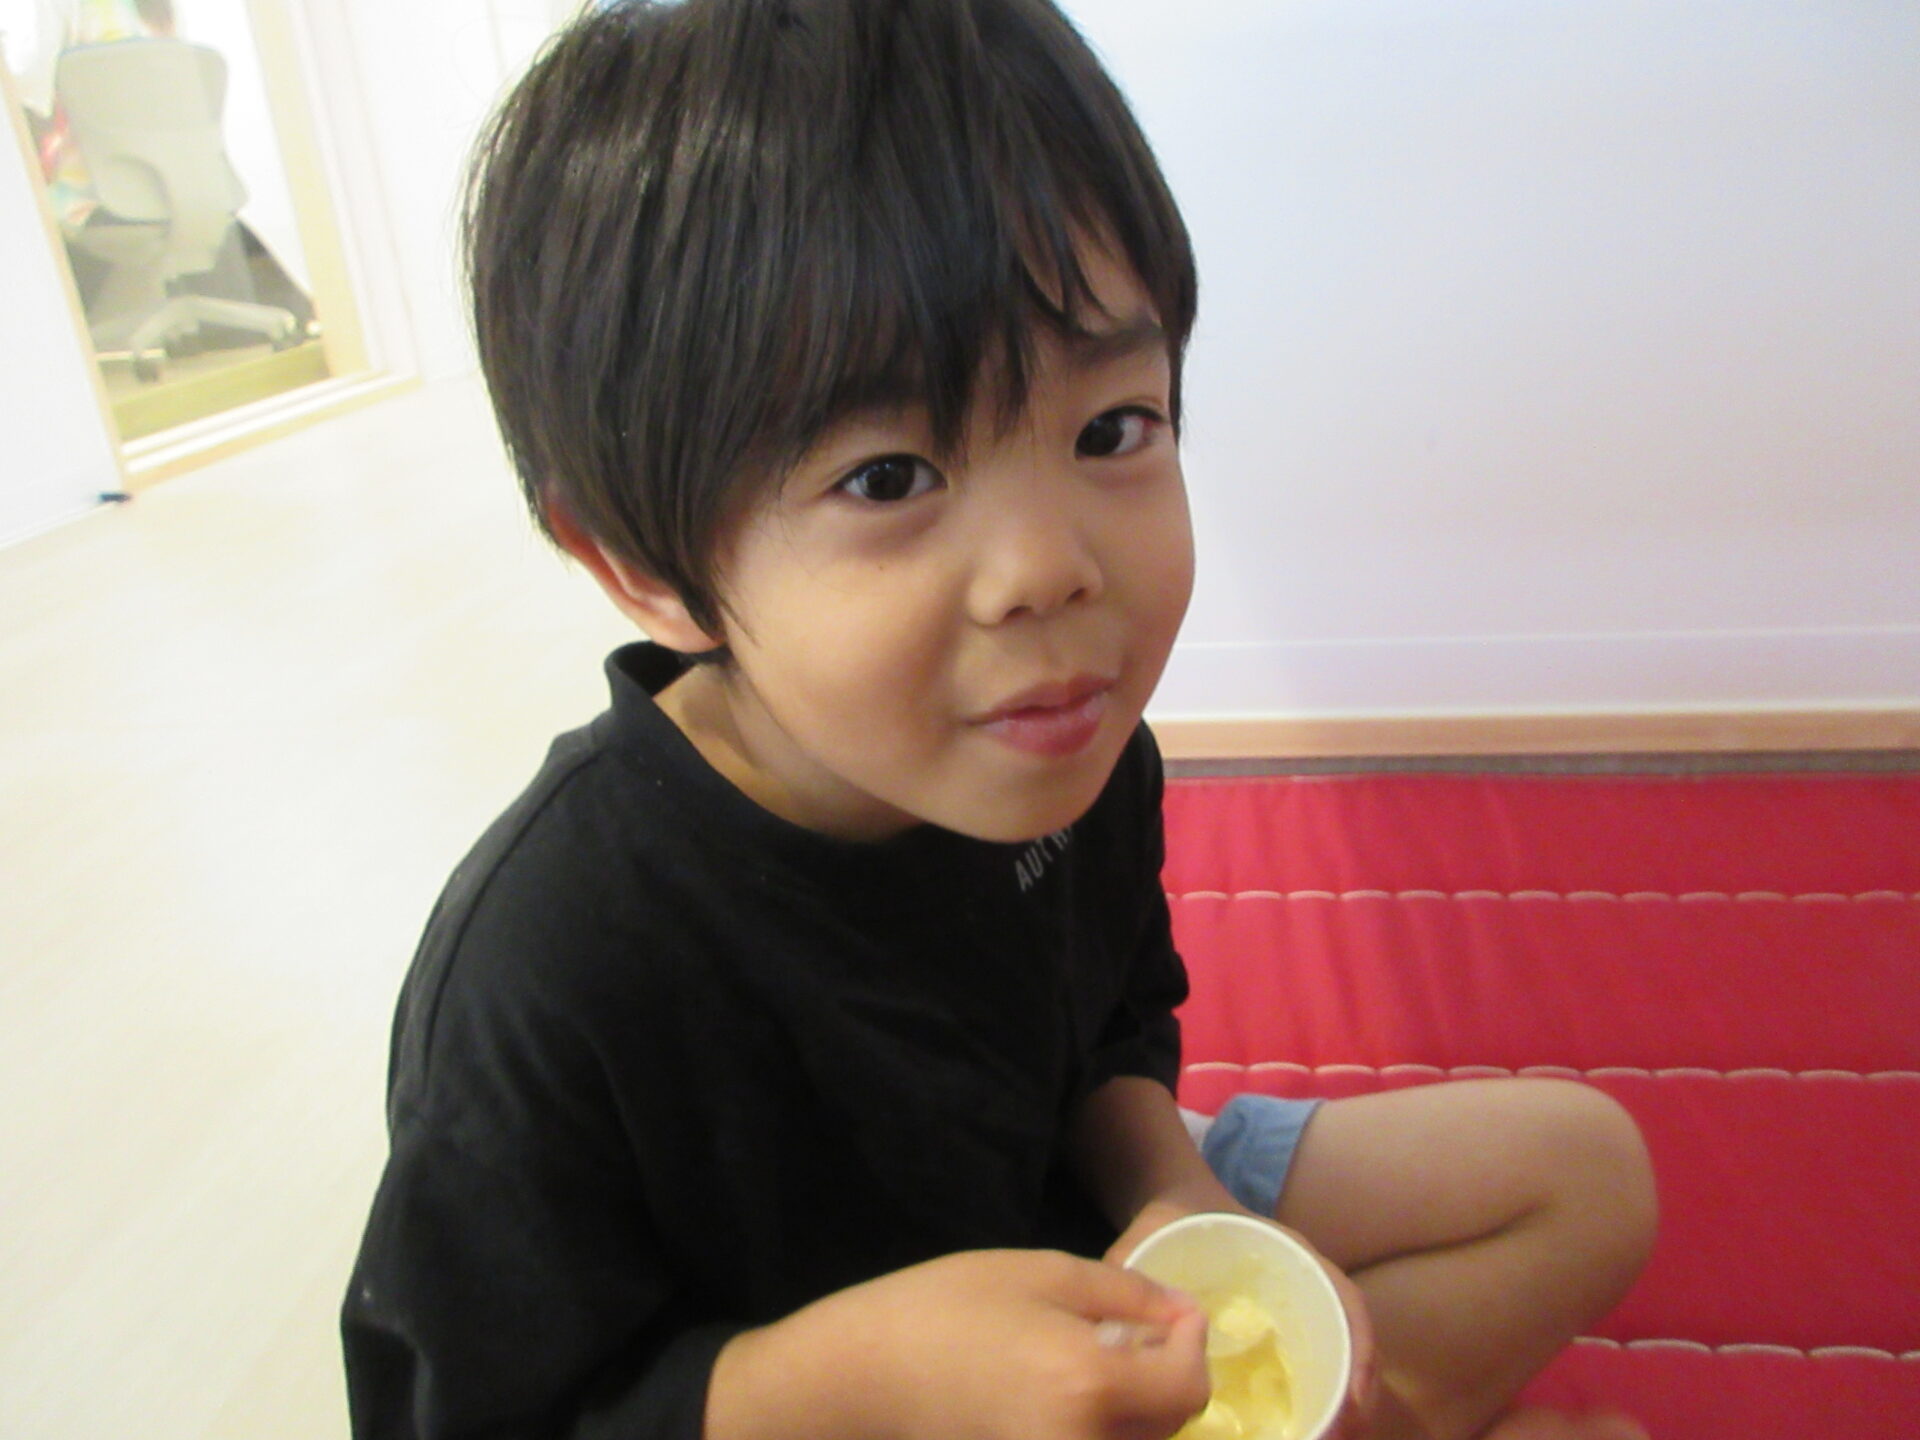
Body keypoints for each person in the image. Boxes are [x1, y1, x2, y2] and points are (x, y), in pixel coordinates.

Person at [340, 3, 1658, 1438]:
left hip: (1085, 1222)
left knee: (1584, 1174)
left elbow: (1110, 1031)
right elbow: (476, 1411)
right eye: (889, 477)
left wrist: (1174, 1194)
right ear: (643, 568)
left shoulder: (1067, 745)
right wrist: (858, 1380)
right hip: (832, 1402)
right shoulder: (549, 967)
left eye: (1112, 429)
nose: (1049, 570)